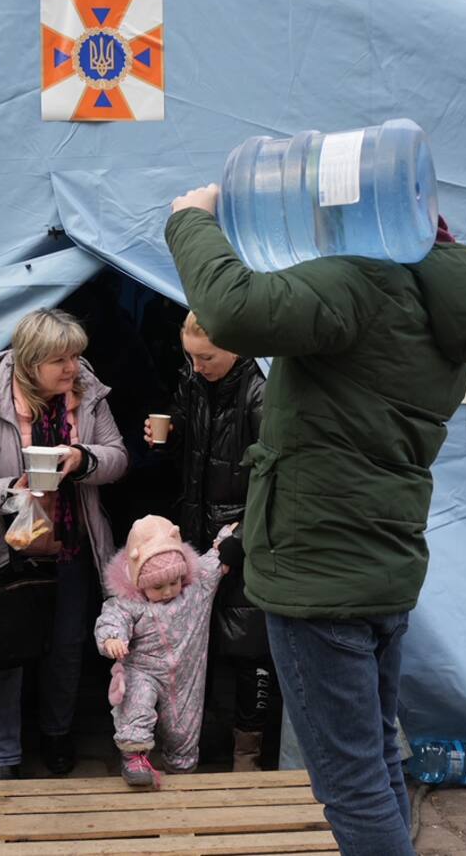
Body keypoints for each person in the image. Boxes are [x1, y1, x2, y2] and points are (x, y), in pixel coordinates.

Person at [165, 184, 466, 855]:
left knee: (350, 783)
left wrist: (191, 221)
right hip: (381, 564)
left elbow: (231, 311)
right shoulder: (444, 306)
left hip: (317, 572)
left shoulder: (359, 284)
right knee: (375, 754)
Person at [0, 308, 128, 779]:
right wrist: (15, 493)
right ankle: (2, 755)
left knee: (67, 648)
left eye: (75, 356)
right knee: (3, 653)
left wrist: (82, 458)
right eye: (60, 360)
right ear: (30, 363)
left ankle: (57, 735)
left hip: (71, 546)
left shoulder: (89, 396)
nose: (72, 368)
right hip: (5, 551)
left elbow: (119, 458)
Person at [144, 311, 280, 771]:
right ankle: (190, 743)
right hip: (198, 532)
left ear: (237, 345)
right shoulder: (193, 379)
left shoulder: (263, 390)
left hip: (244, 537)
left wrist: (247, 533)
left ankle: (249, 754)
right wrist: (169, 438)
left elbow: (278, 474)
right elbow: (194, 447)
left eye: (207, 357)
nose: (198, 365)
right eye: (192, 356)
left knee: (249, 646)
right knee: (188, 644)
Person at [94, 514, 241, 786]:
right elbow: (111, 619)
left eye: (174, 582)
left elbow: (214, 560)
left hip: (186, 673)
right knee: (136, 701)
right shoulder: (128, 603)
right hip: (143, 668)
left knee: (182, 726)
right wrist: (112, 639)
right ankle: (135, 755)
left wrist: (227, 537)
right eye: (157, 586)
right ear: (139, 582)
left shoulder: (195, 589)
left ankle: (181, 770)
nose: (167, 591)